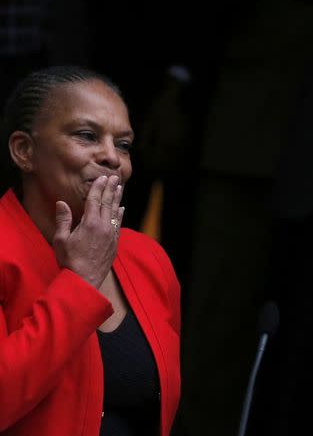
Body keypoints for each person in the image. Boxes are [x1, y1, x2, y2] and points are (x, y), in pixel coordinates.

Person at [0, 65, 181, 436]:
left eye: (124, 144)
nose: (112, 157)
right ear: (24, 151)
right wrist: (81, 281)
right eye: (87, 135)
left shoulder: (149, 259)